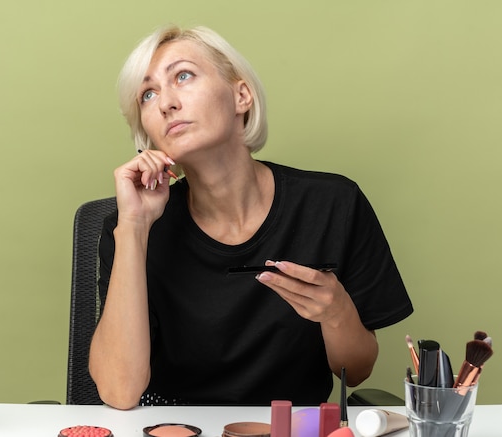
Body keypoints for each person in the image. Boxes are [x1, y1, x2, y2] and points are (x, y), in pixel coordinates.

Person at [89, 24, 413, 410]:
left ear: (240, 95)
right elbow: (119, 392)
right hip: (175, 429)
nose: (166, 103)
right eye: (147, 94)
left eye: (183, 76)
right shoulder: (129, 227)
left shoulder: (334, 205)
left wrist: (337, 311)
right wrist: (135, 228)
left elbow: (356, 372)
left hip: (294, 428)